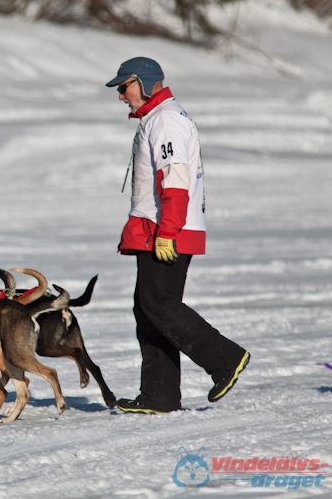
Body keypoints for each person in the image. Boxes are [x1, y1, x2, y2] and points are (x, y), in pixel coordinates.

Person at [105, 57, 249, 414]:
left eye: (124, 87)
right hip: (155, 228)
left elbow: (176, 180)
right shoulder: (158, 119)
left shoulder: (166, 120)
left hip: (165, 229)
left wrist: (167, 231)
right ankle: (160, 395)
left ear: (145, 82)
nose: (122, 95)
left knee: (160, 305)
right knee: (148, 308)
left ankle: (226, 359)